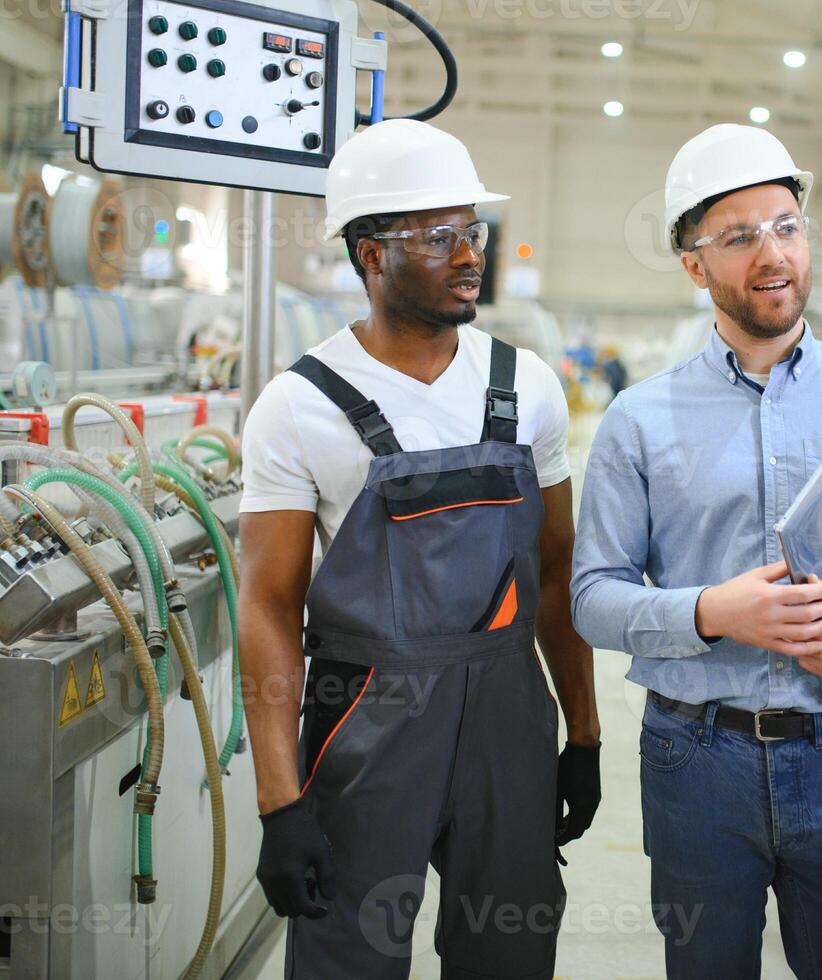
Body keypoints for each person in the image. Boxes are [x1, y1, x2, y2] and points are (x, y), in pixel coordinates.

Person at [570, 123, 822, 979]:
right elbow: (591, 597)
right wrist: (712, 613)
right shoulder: (639, 419)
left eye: (786, 225)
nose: (772, 253)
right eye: (739, 237)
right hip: (695, 758)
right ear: (692, 263)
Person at [237, 118, 601, 980]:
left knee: (507, 950)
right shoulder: (300, 406)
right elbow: (267, 605)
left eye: (472, 231)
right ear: (369, 253)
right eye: (439, 237)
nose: (470, 254)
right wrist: (279, 801)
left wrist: (582, 734)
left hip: (507, 713)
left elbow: (555, 573)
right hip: (367, 713)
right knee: (348, 956)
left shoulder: (526, 385)